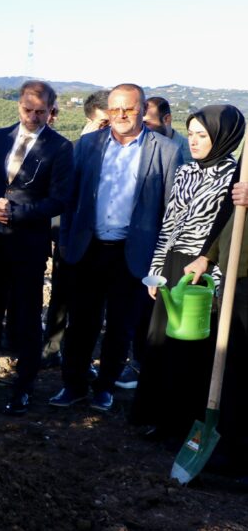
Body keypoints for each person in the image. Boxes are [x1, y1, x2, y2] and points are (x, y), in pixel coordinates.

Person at [53, 83, 183, 412]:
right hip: (89, 248)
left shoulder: (165, 151)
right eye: (115, 109)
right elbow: (71, 200)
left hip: (133, 251)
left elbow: (171, 210)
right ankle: (74, 384)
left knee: (121, 326)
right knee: (81, 322)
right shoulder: (87, 145)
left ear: (142, 108)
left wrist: (160, 261)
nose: (121, 115)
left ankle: (105, 386)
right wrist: (67, 244)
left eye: (128, 108)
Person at [0, 81, 73, 415]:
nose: (33, 117)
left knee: (25, 318)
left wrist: (17, 213)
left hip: (29, 246)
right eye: (27, 109)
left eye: (40, 111)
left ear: (51, 110)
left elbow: (59, 200)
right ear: (18, 105)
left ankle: (23, 388)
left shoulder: (60, 148)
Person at [130, 105, 245, 438]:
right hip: (174, 265)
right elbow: (169, 223)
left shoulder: (234, 177)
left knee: (193, 351)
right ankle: (159, 417)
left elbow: (226, 232)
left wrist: (217, 280)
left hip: (204, 272)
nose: (193, 142)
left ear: (223, 137)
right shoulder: (185, 171)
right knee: (161, 341)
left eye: (202, 136)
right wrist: (156, 269)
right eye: (191, 134)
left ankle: (186, 425)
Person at [42, 89, 111, 367]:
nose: (108, 129)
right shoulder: (69, 151)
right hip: (70, 235)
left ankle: (79, 354)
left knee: (94, 303)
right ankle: (51, 348)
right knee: (61, 294)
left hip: (103, 239)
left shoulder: (119, 156)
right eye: (103, 123)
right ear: (90, 121)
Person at [195, 167, 248, 477]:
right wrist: (209, 255)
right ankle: (230, 448)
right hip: (234, 276)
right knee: (235, 368)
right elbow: (232, 213)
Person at [144, 96, 193, 164]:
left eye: (146, 123)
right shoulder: (140, 148)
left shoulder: (191, 151)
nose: (142, 127)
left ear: (167, 119)